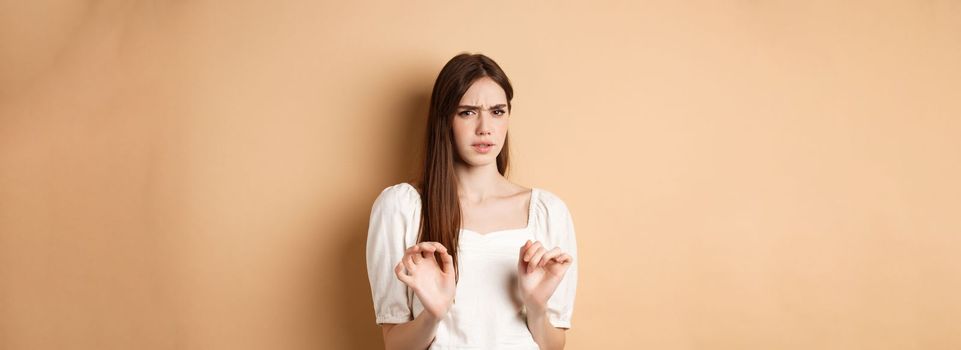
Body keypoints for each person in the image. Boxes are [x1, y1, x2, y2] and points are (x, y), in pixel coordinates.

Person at [365, 52, 578, 350]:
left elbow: (554, 345)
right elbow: (395, 345)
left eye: (497, 111)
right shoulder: (402, 208)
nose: (484, 128)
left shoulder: (548, 212)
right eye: (467, 112)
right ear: (445, 119)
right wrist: (433, 315)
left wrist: (537, 307)